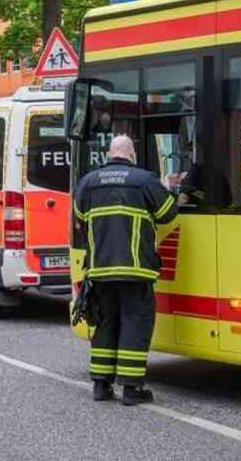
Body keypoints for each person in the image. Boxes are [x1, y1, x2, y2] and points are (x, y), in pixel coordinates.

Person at [72, 135, 180, 405]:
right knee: (135, 323)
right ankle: (131, 389)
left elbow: (80, 217)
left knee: (105, 323)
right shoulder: (144, 180)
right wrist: (169, 188)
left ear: (110, 154)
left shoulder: (87, 182)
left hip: (99, 271)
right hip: (135, 271)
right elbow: (169, 213)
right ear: (131, 154)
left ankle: (100, 385)